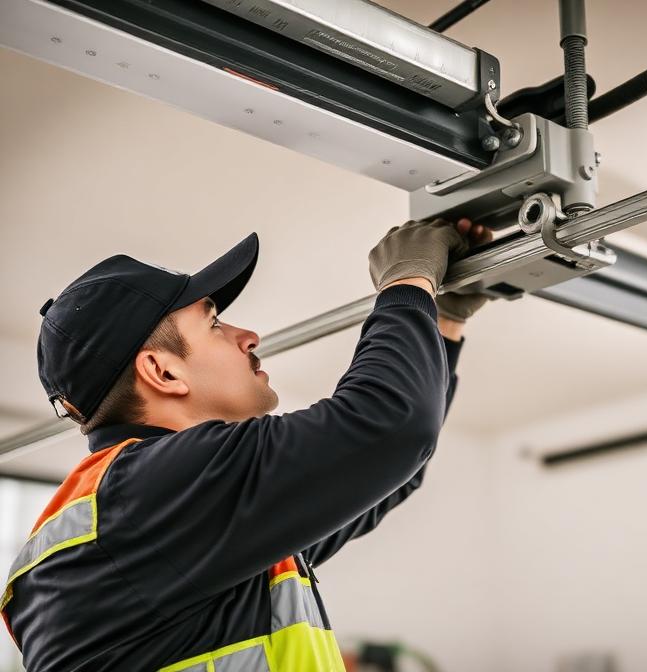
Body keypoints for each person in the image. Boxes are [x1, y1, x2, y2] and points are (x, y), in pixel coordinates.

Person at [1, 218, 490, 671]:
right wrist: (406, 284)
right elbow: (388, 428)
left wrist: (440, 322)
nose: (249, 335)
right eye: (213, 323)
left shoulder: (161, 517)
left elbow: (384, 472)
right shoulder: (155, 490)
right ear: (162, 371)